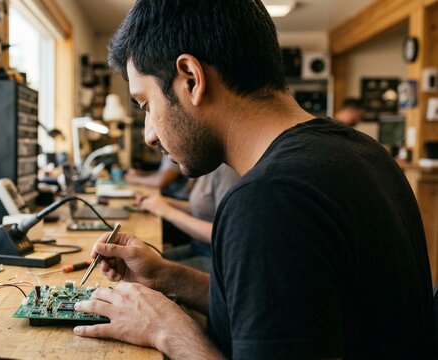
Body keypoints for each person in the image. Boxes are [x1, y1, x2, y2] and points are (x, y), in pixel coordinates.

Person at [72, 1, 435, 359]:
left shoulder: (270, 200)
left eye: (147, 105)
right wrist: (168, 278)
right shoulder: (361, 151)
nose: (149, 135)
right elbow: (290, 311)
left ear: (191, 78)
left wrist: (166, 330)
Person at [137, 163, 239, 272]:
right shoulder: (210, 167)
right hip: (198, 246)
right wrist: (165, 201)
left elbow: (225, 234)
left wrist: (166, 211)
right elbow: (203, 207)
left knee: (147, 271)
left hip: (215, 258)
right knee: (142, 261)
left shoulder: (226, 172)